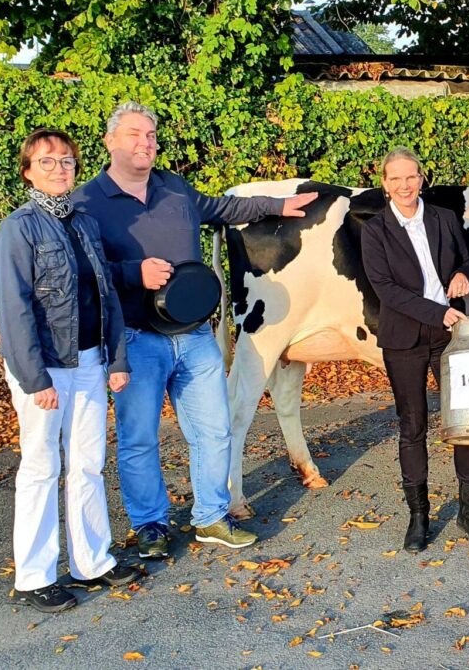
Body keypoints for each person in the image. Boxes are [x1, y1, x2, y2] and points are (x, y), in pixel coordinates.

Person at [73, 102, 317, 558]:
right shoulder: (87, 202)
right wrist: (132, 274)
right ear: (110, 141)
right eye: (134, 135)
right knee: (139, 437)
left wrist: (279, 204)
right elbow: (80, 270)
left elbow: (224, 208)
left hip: (194, 336)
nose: (145, 142)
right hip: (135, 337)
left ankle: (210, 517)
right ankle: (150, 525)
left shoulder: (174, 188)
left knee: (214, 430)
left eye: (150, 135)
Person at [0, 129, 138, 613]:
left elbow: (106, 295)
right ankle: (34, 577)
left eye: (67, 161)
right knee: (40, 467)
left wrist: (115, 360)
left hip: (90, 361)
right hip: (45, 368)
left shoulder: (85, 223)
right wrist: (36, 380)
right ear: (28, 170)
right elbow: (14, 309)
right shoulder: (19, 228)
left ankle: (92, 562)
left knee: (87, 464)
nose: (60, 169)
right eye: (48, 161)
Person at [361, 147, 469, 554]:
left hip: (451, 337)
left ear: (422, 178)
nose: (405, 186)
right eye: (395, 179)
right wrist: (438, 312)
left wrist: (462, 273)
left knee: (467, 422)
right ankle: (419, 517)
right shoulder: (374, 230)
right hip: (404, 338)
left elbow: (468, 261)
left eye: (411, 177)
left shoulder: (444, 217)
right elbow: (385, 289)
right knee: (413, 426)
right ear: (384, 184)